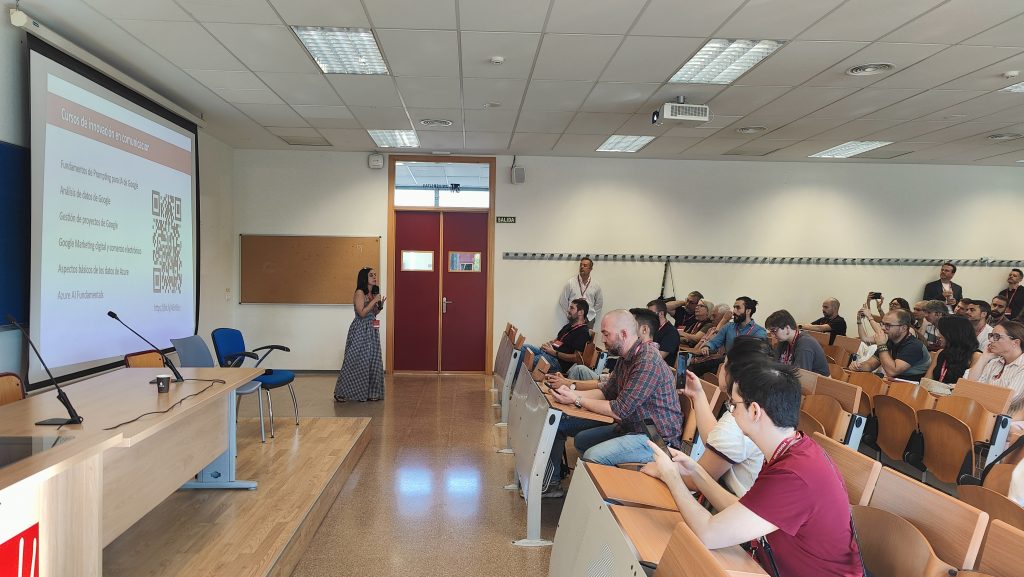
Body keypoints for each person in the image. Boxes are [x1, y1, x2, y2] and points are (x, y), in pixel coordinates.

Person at [644, 362, 864, 577]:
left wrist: (671, 476)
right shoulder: (790, 448)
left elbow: (709, 534)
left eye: (734, 405)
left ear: (755, 411)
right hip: (768, 562)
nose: (731, 412)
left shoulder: (795, 474)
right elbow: (744, 510)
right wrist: (696, 472)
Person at [544, 310, 682, 494]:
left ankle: (602, 498)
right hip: (632, 428)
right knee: (581, 439)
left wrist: (576, 399)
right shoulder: (626, 357)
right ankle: (559, 485)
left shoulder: (648, 361)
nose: (602, 339)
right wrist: (570, 392)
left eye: (606, 334)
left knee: (593, 455)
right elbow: (606, 392)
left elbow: (619, 410)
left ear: (623, 334)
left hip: (656, 440)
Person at [643, 336, 771, 497]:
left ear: (731, 373)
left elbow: (697, 482)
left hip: (729, 503)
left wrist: (661, 470)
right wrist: (697, 395)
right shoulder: (754, 408)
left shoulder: (735, 423)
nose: (721, 368)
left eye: (724, 363)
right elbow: (716, 438)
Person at [334, 267, 385, 403]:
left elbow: (372, 313)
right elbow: (361, 313)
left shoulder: (372, 293)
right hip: (360, 329)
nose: (374, 277)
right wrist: (374, 301)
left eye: (375, 275)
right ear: (364, 278)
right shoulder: (359, 293)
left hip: (372, 330)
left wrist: (379, 306)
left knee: (372, 361)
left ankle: (370, 393)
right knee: (355, 360)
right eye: (371, 275)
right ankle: (341, 392)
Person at [692, 297, 767, 376]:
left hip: (745, 367)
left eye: (738, 308)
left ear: (748, 311)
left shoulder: (759, 331)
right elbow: (715, 342)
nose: (734, 311)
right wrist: (707, 346)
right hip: (727, 362)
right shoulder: (728, 326)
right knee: (694, 368)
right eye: (734, 307)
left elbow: (756, 354)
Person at [850, 308, 930, 381]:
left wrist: (881, 345)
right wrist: (858, 366)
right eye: (882, 324)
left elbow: (892, 371)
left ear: (903, 328)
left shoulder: (914, 346)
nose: (883, 328)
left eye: (888, 325)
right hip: (894, 383)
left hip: (911, 387)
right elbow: (870, 364)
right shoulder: (890, 340)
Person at [968, 321, 1024, 417]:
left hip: (1006, 420)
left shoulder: (1022, 366)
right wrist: (984, 357)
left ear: (1015, 342)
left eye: (997, 336)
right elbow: (970, 385)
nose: (991, 340)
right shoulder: (995, 362)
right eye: (991, 335)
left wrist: (978, 392)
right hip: (982, 413)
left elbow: (1007, 398)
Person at [523, 298, 591, 374]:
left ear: (581, 312)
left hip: (558, 363)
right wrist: (549, 345)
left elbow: (576, 358)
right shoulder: (569, 325)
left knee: (529, 361)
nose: (568, 310)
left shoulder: (583, 332)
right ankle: (515, 378)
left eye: (572, 308)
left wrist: (555, 353)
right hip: (550, 353)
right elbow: (558, 340)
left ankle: (520, 379)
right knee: (524, 348)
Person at [765, 309, 829, 376]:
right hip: (790, 379)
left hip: (815, 382)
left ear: (787, 328)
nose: (772, 335)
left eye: (774, 330)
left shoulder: (805, 344)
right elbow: (775, 365)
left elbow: (801, 376)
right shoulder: (783, 341)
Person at [929, 315, 980, 386]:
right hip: (935, 391)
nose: (938, 335)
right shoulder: (941, 353)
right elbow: (927, 380)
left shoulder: (975, 356)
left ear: (953, 334)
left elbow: (970, 386)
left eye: (941, 332)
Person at [559, 257, 603, 328]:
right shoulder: (571, 283)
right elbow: (563, 300)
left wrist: (591, 314)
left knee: (587, 335)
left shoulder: (596, 285)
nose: (582, 267)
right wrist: (570, 313)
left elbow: (599, 303)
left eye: (585, 265)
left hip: (589, 319)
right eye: (581, 265)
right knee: (572, 335)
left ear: (590, 269)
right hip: (573, 319)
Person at [648, 299, 680, 367]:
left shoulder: (671, 332)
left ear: (661, 313)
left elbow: (658, 358)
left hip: (662, 369)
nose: (648, 316)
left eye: (651, 313)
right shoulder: (653, 328)